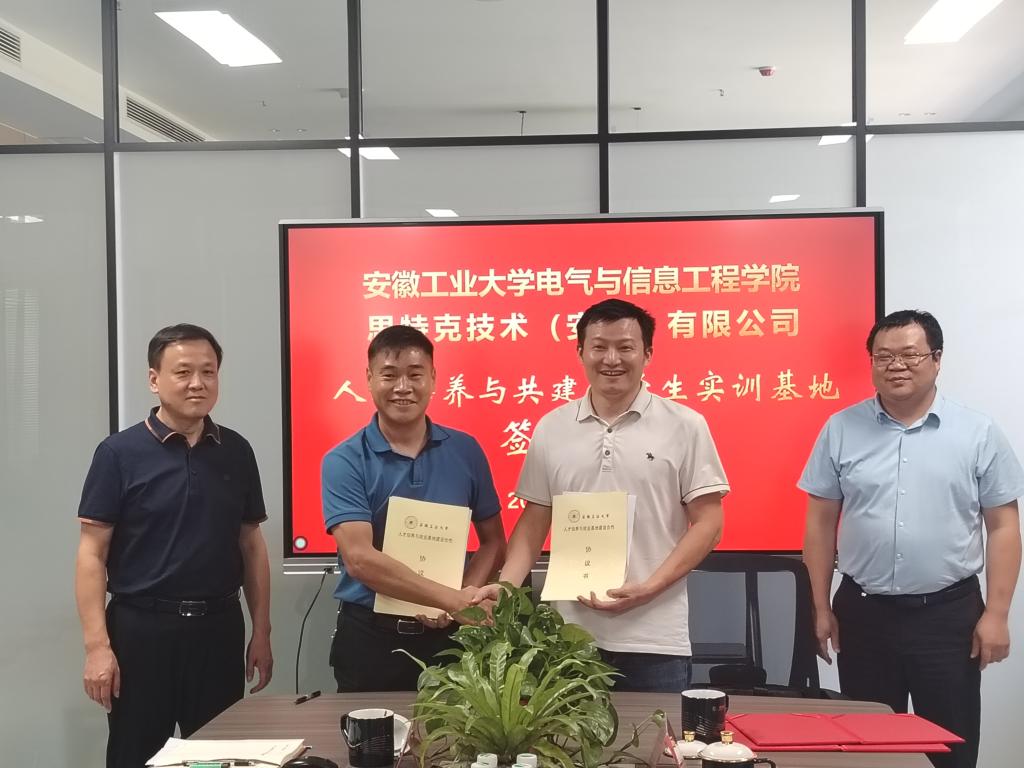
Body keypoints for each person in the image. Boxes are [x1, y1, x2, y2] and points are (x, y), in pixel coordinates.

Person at [800, 309, 1023, 768]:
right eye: (883, 356)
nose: (895, 366)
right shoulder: (840, 428)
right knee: (868, 750)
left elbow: (1003, 527)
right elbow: (820, 524)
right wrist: (820, 607)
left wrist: (998, 614)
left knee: (950, 749)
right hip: (864, 614)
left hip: (948, 617)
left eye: (910, 355)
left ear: (936, 359)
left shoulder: (977, 432)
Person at [478, 298, 729, 691]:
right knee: (568, 734)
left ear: (647, 354)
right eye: (599, 347)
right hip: (568, 638)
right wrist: (507, 587)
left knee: (654, 734)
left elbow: (710, 523)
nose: (612, 359)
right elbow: (534, 521)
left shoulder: (685, 425)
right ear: (581, 352)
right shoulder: (551, 428)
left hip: (655, 638)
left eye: (625, 347)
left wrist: (649, 587)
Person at [75, 323, 273, 768]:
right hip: (141, 632)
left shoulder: (236, 450)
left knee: (221, 755)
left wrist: (261, 631)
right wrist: (97, 647)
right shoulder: (118, 453)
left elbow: (252, 546)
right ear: (154, 379)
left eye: (208, 371)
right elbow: (91, 554)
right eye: (183, 372)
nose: (197, 383)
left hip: (218, 629)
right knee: (137, 754)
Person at [322, 324, 506, 692]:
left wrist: (464, 596)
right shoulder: (344, 460)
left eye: (415, 374)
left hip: (452, 636)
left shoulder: (466, 450)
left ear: (434, 378)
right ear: (369, 378)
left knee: (457, 729)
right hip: (371, 640)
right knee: (371, 731)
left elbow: (494, 542)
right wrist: (450, 599)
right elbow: (359, 559)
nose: (403, 387)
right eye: (389, 375)